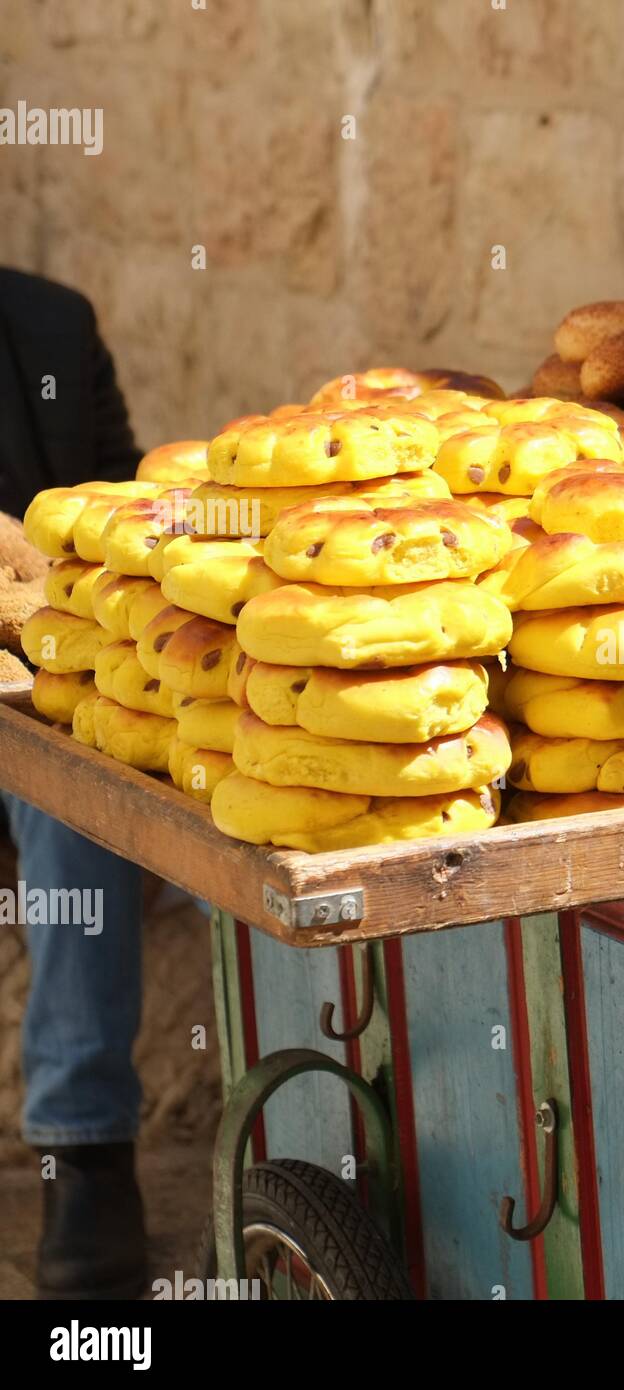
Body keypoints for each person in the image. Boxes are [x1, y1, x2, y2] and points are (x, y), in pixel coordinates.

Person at [0, 266, 148, 1299]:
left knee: (78, 785)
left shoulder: (53, 321)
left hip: (29, 685)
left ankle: (85, 1153)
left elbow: (122, 498)